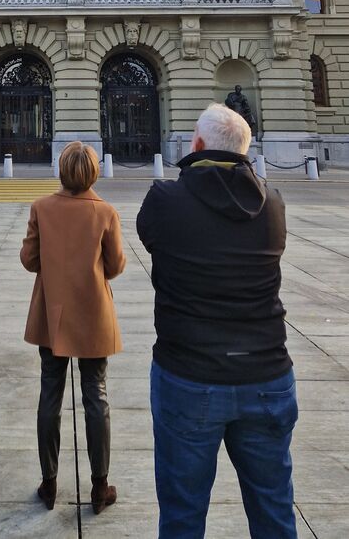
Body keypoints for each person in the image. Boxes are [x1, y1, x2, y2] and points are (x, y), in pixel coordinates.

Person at [137, 103, 297, 539]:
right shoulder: (273, 207)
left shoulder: (165, 201)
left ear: (199, 145)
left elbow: (151, 239)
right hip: (267, 373)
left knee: (183, 514)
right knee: (275, 511)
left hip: (189, 374)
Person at [20, 140, 126, 515]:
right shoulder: (105, 211)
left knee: (50, 394)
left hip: (52, 313)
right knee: (96, 396)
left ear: (60, 170)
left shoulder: (42, 207)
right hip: (93, 312)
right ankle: (100, 487)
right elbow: (115, 266)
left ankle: (49, 483)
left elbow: (29, 259)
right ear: (95, 172)